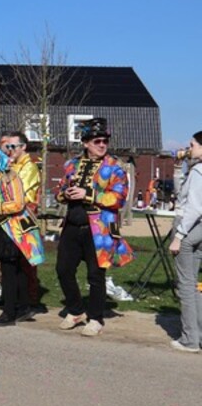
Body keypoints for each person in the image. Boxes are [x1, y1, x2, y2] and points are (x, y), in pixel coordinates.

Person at [55, 117, 133, 337]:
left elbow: (119, 198)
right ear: (85, 143)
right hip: (72, 223)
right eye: (97, 141)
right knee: (63, 270)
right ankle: (76, 310)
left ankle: (96, 317)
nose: (102, 145)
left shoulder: (115, 167)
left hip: (100, 228)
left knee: (96, 274)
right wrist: (65, 193)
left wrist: (88, 194)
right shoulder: (71, 164)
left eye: (105, 141)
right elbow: (59, 190)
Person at [0, 146, 46, 327]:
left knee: (9, 271)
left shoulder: (9, 177)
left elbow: (18, 204)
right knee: (15, 270)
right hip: (1, 227)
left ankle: (9, 312)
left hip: (14, 229)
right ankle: (23, 307)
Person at [0, 131, 42, 308]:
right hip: (10, 217)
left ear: (23, 147)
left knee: (26, 260)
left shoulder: (29, 167)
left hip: (23, 218)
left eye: (12, 146)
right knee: (10, 261)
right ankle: (12, 296)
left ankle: (28, 300)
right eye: (7, 147)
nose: (9, 150)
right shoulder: (13, 165)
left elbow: (18, 192)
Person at [168, 130, 202, 353]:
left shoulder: (199, 171)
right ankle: (198, 334)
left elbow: (194, 207)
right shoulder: (194, 170)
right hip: (199, 229)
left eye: (193, 145)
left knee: (186, 285)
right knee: (193, 283)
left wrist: (179, 236)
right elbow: (182, 193)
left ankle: (189, 339)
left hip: (188, 227)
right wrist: (178, 169)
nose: (189, 148)